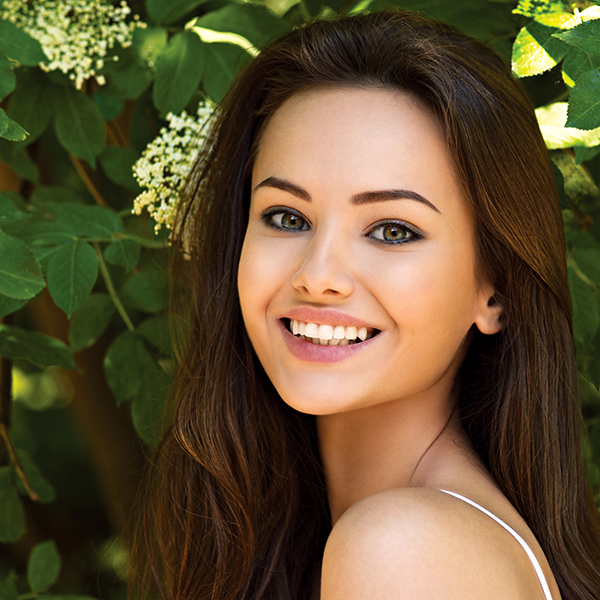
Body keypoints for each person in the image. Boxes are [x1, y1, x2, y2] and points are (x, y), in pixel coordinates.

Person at [129, 10, 600, 600]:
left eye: (393, 231)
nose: (318, 276)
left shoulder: (403, 549)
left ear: (496, 289)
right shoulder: (381, 537)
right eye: (286, 217)